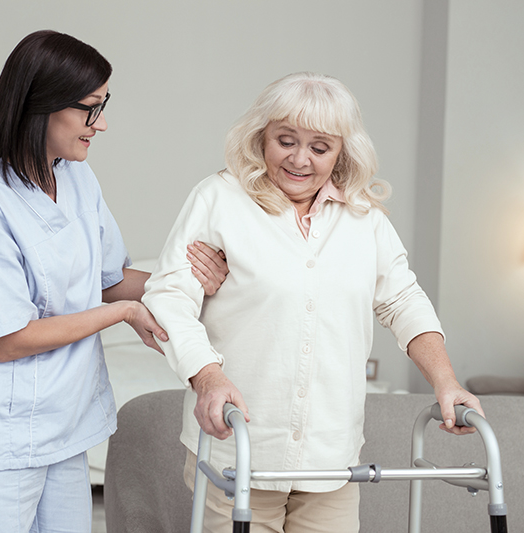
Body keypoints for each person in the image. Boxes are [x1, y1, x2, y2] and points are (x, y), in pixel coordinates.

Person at [141, 71, 483, 532]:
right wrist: (208, 376)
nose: (300, 159)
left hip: (331, 459)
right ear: (262, 137)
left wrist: (446, 381)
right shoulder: (220, 199)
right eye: (286, 140)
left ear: (342, 151)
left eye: (320, 147)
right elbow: (168, 294)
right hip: (238, 449)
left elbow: (404, 301)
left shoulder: (365, 220)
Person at [0, 30, 228, 533]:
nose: (101, 124)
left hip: (63, 428)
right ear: (40, 107)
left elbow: (105, 280)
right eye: (90, 108)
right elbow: (8, 338)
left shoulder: (78, 177)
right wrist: (126, 314)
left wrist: (189, 279)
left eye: (103, 105)